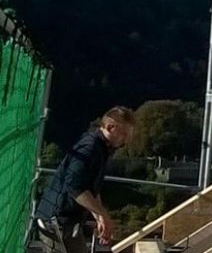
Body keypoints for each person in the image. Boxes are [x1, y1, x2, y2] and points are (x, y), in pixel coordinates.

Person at [34, 106, 136, 252]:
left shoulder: (101, 148)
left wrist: (99, 216)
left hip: (68, 221)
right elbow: (75, 188)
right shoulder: (90, 148)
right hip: (56, 221)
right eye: (124, 134)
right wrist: (103, 215)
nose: (125, 140)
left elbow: (91, 188)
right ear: (109, 127)